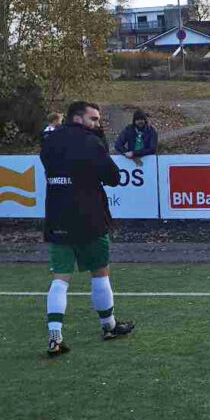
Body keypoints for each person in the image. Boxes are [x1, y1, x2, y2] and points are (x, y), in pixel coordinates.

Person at [40, 101, 135, 356]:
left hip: (58, 218)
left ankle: (55, 336)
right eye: (93, 119)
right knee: (100, 274)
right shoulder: (91, 142)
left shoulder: (49, 141)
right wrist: (100, 143)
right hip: (89, 218)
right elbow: (113, 178)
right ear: (77, 118)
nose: (97, 124)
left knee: (60, 278)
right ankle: (109, 325)